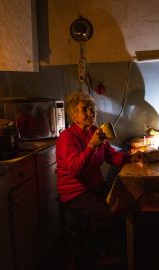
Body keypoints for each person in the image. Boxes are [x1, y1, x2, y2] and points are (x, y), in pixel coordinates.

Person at [56, 91, 144, 269]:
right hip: (75, 192)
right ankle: (83, 261)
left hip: (95, 187)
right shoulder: (67, 137)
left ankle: (119, 254)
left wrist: (130, 158)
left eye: (93, 108)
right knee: (106, 218)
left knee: (124, 205)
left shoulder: (96, 132)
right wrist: (90, 146)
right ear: (74, 116)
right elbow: (75, 170)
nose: (91, 112)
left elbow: (111, 155)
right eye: (85, 109)